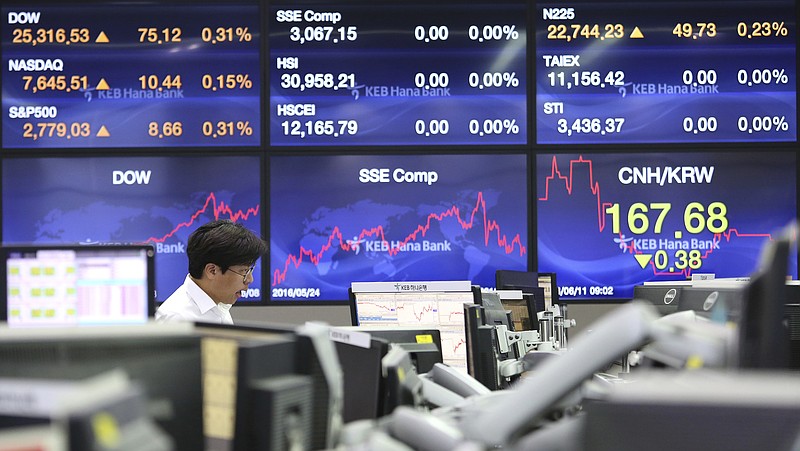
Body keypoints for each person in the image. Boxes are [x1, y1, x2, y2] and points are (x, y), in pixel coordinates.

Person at [155, 219, 268, 324]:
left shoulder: (219, 304)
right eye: (243, 271)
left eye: (250, 270)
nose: (249, 279)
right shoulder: (176, 319)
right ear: (212, 271)